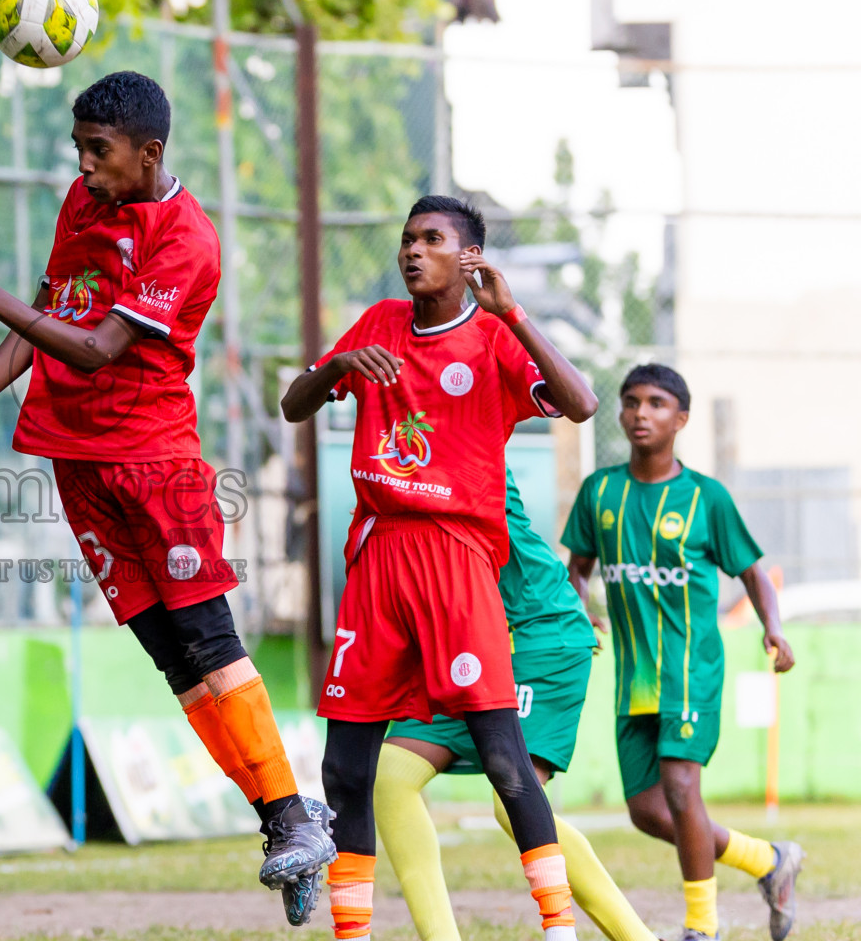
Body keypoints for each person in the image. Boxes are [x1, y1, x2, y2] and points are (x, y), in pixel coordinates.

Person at [0, 71, 335, 916]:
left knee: (208, 639)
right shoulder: (84, 203)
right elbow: (50, 310)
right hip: (77, 465)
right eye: (78, 148)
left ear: (150, 153)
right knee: (172, 661)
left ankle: (292, 811)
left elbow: (100, 347)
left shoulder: (188, 240)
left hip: (155, 466)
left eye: (98, 151)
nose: (84, 164)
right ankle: (286, 818)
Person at [281, 195, 598, 941]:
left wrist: (515, 314)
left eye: (432, 239)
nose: (413, 251)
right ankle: (352, 932)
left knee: (502, 755)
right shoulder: (377, 326)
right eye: (407, 239)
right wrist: (335, 368)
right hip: (378, 555)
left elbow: (582, 404)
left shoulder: (491, 337)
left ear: (469, 258)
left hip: (455, 557)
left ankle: (559, 925)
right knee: (346, 769)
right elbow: (296, 405)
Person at [562, 363, 802, 941]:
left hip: (692, 670)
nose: (640, 413)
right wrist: (578, 611)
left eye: (656, 403)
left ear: (681, 419)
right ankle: (768, 861)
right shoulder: (600, 492)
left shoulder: (705, 498)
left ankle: (702, 928)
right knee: (647, 811)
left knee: (681, 787)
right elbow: (577, 568)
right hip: (633, 677)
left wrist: (773, 626)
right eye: (631, 402)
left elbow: (752, 571)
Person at [375, 466, 656, 941]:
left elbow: (576, 402)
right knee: (391, 774)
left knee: (512, 802)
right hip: (469, 643)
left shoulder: (462, 439)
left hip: (536, 637)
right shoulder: (392, 446)